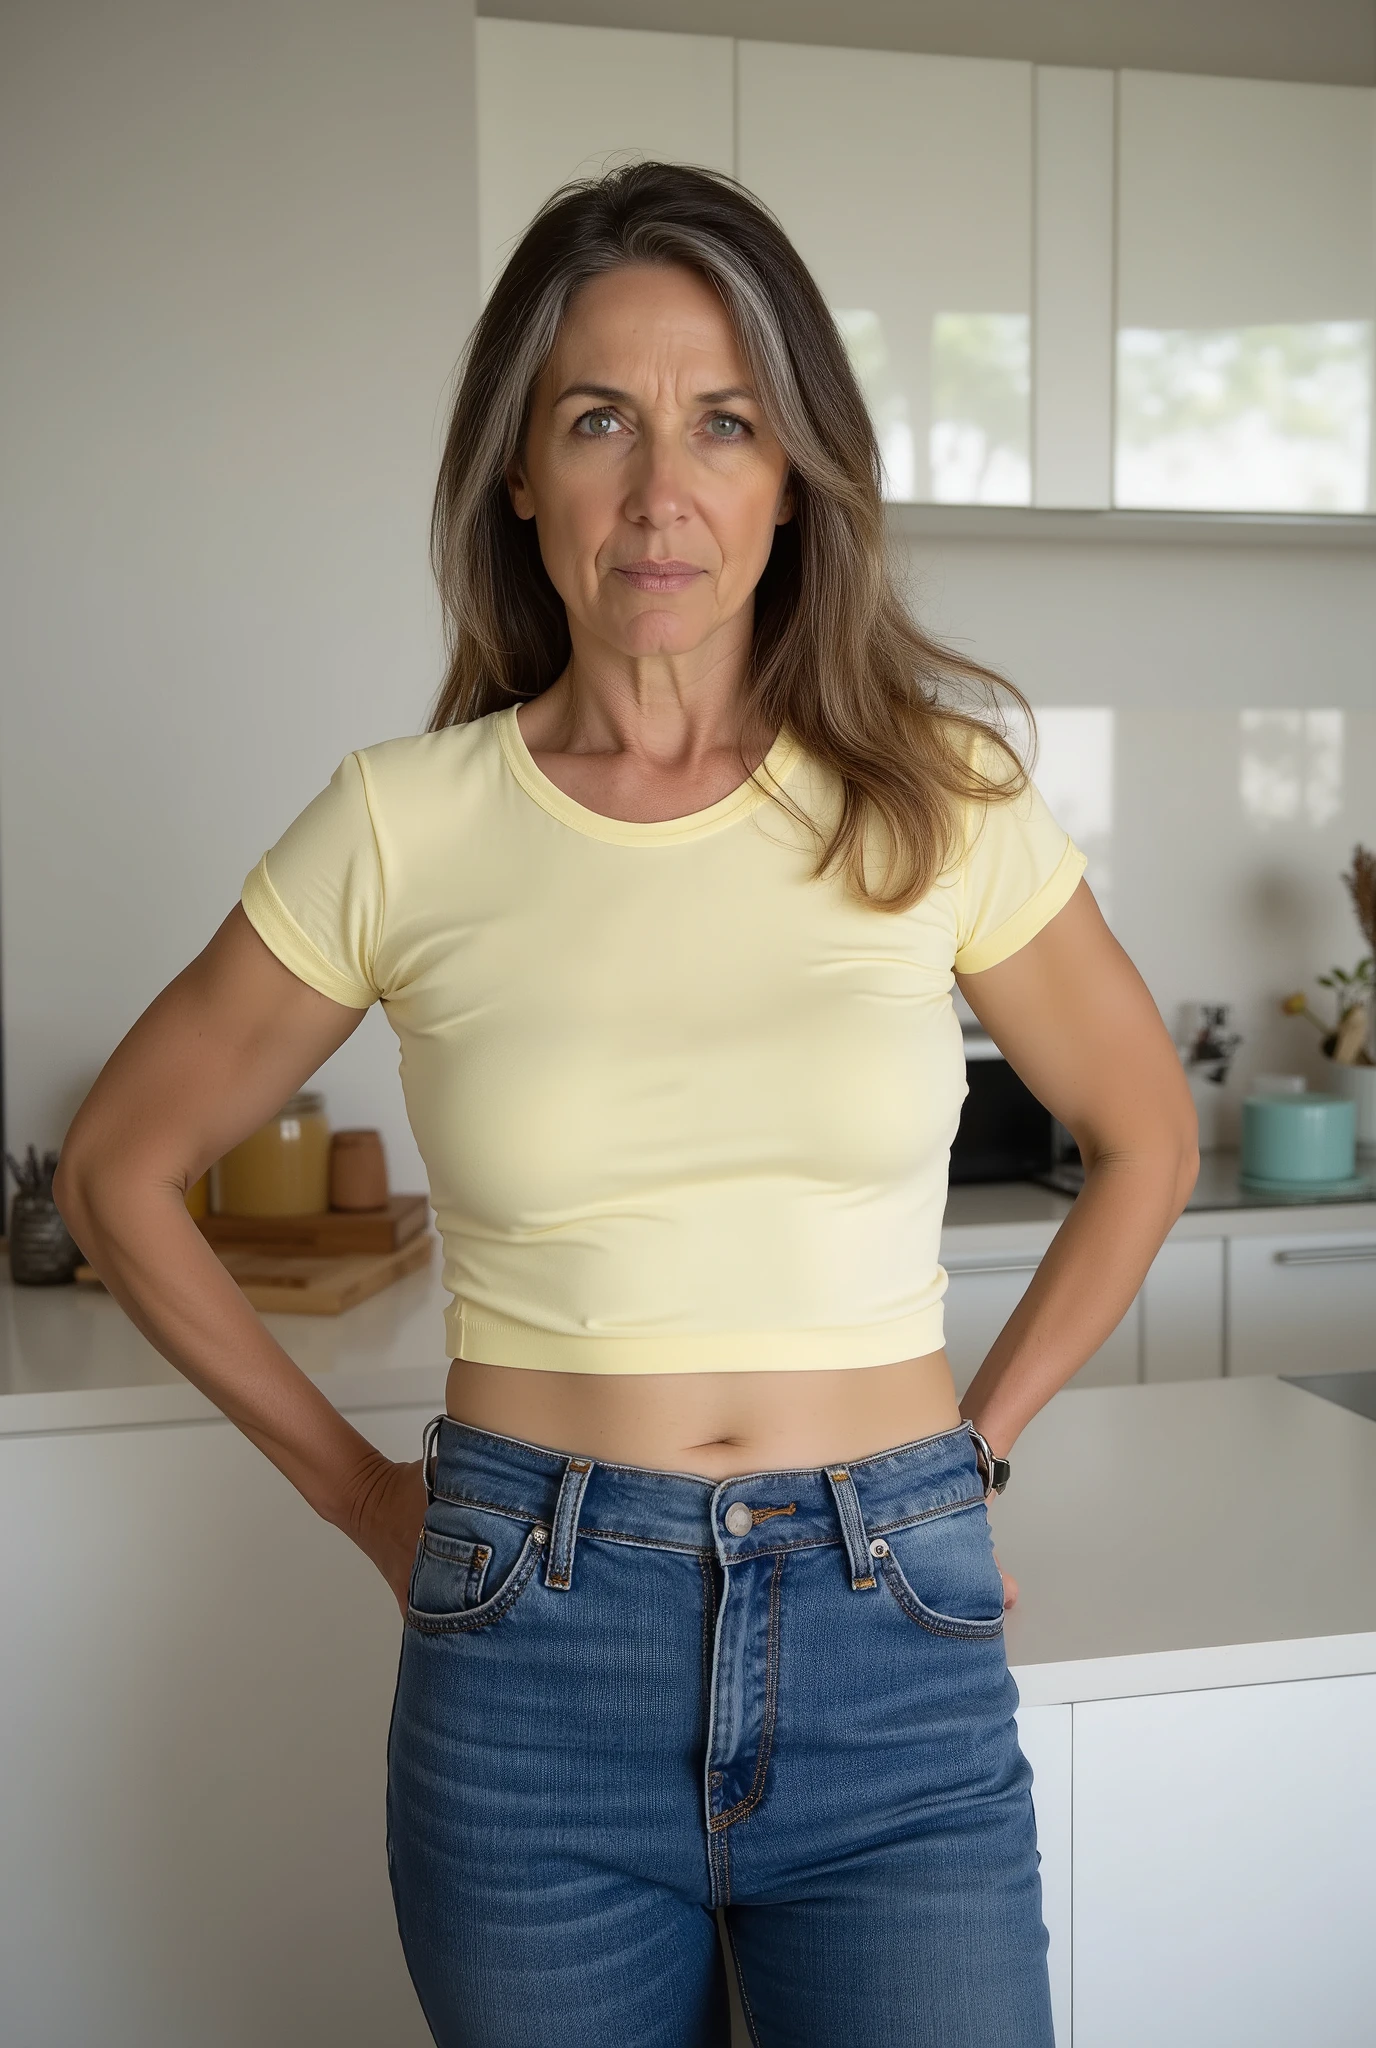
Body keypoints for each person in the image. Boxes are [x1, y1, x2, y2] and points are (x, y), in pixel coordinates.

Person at [55, 162, 1198, 2047]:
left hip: (892, 1647)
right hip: (531, 1667)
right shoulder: (404, 823)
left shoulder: (940, 798)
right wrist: (365, 1500)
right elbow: (118, 1171)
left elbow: (1149, 1137)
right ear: (521, 474)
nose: (663, 489)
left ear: (794, 476)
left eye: (724, 423)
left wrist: (969, 1459)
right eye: (600, 420)